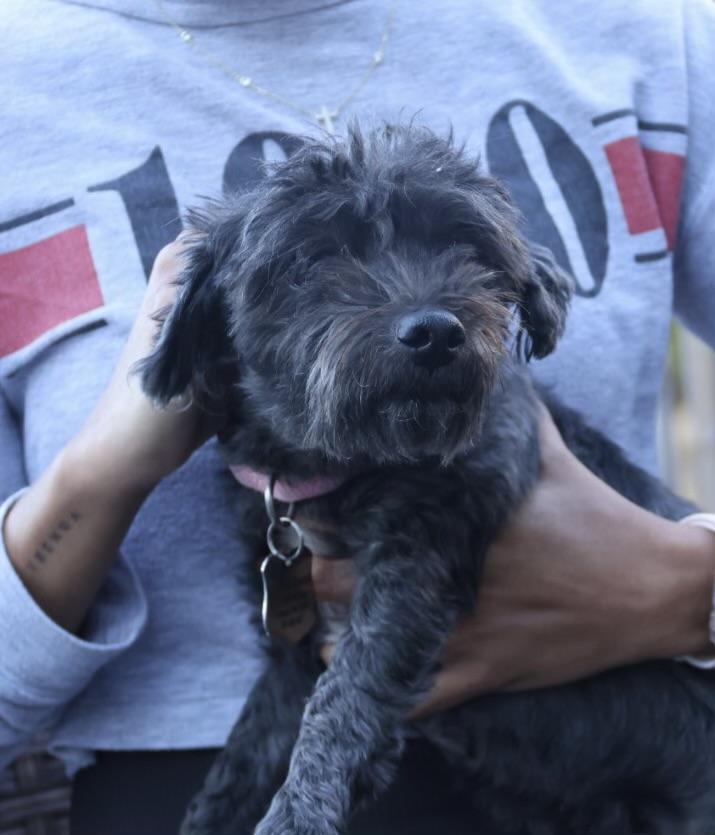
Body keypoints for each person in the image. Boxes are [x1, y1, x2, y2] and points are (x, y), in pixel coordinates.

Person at [1, 0, 714, 832]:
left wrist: (690, 589)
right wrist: (100, 472)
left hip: (646, 775)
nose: (422, 312)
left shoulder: (635, 30)